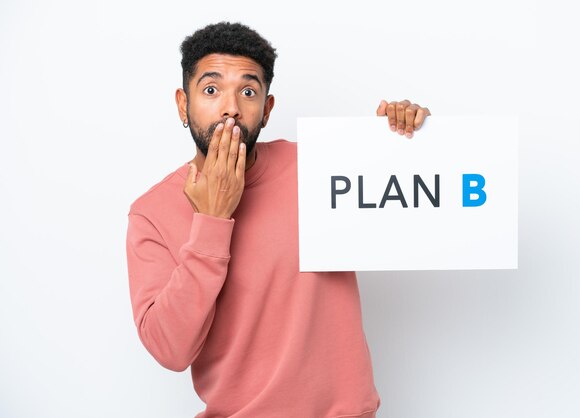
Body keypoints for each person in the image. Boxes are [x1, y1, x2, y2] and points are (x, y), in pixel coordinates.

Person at [126, 21, 430, 418]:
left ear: (267, 110)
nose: (230, 107)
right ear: (183, 104)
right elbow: (170, 350)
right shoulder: (151, 213)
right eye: (212, 89)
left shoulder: (320, 167)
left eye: (248, 91)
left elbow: (410, 192)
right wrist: (213, 220)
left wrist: (405, 135)